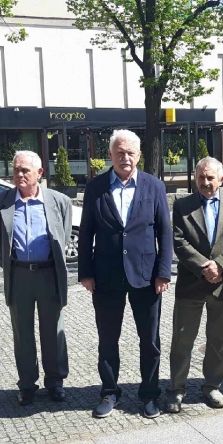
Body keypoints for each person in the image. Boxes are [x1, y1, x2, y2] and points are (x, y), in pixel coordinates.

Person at [78, 129, 173, 419]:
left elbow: (164, 232)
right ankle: (109, 392)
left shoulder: (154, 186)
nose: (125, 157)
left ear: (139, 155)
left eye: (130, 152)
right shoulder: (95, 188)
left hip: (146, 277)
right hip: (106, 277)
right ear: (110, 155)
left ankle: (150, 394)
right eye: (119, 152)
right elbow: (86, 234)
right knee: (108, 339)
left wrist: (163, 273)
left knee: (150, 340)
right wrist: (85, 273)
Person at [164, 157, 223, 414]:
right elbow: (179, 241)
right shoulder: (183, 206)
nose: (205, 182)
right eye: (201, 177)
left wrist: (221, 266)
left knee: (219, 340)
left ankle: (212, 386)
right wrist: (205, 267)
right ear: (195, 178)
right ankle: (176, 389)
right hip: (191, 283)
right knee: (182, 340)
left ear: (221, 179)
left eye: (210, 177)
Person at [0, 151, 72, 406]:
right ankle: (27, 384)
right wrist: (14, 266)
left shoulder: (59, 201)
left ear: (39, 173)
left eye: (25, 170)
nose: (19, 174)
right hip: (19, 275)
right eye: (16, 170)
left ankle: (55, 382)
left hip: (48, 274)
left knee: (53, 330)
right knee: (22, 333)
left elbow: (64, 238)